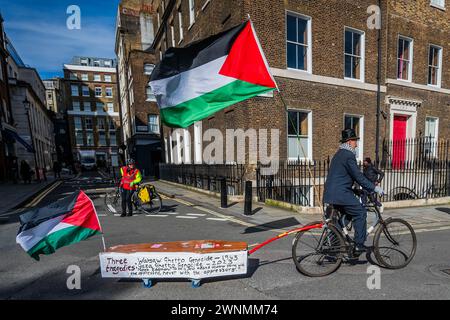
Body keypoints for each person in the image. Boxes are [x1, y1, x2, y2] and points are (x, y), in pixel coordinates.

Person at [323, 129, 384, 255]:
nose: (356, 144)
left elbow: (342, 177)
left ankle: (334, 242)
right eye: (355, 141)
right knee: (360, 212)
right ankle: (358, 245)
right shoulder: (348, 155)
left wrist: (356, 190)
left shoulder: (339, 154)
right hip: (340, 194)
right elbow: (358, 176)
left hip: (332, 193)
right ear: (350, 141)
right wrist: (374, 188)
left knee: (348, 215)